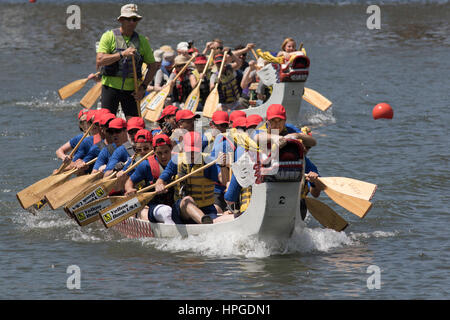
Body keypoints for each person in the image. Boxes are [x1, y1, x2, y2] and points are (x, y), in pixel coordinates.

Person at [96, 4, 159, 118]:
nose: (132, 22)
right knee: (107, 123)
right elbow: (100, 60)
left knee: (135, 125)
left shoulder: (142, 41)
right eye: (128, 19)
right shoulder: (108, 36)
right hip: (110, 88)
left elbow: (153, 66)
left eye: (135, 19)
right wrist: (122, 54)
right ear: (121, 20)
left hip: (132, 91)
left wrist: (143, 88)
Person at [154, 131, 227, 224]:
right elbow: (161, 179)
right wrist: (159, 185)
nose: (192, 154)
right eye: (189, 151)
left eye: (195, 151)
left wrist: (223, 166)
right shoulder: (176, 160)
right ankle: (204, 222)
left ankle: (206, 222)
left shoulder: (208, 162)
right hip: (182, 212)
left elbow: (224, 181)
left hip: (207, 210)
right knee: (187, 200)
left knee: (221, 216)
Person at [124, 134, 176, 224]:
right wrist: (130, 189)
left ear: (171, 149)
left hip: (174, 204)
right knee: (160, 212)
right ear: (154, 151)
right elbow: (129, 181)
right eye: (159, 153)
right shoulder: (146, 165)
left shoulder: (179, 161)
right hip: (151, 205)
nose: (163, 156)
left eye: (166, 152)